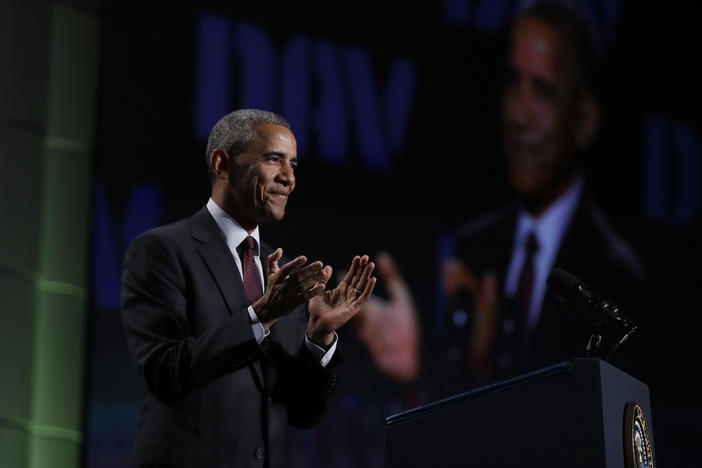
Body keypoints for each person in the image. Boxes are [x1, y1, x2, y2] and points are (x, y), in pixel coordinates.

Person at [357, 0, 647, 398]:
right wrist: (417, 373)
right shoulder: (472, 250)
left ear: (584, 119)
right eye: (514, 83)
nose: (519, 115)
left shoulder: (617, 277)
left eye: (542, 91)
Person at [120, 108, 376, 467]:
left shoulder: (283, 274)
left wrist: (318, 337)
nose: (289, 178)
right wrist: (260, 315)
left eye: (294, 165)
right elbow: (165, 374)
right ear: (222, 163)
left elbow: (302, 413)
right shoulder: (162, 250)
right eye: (274, 159)